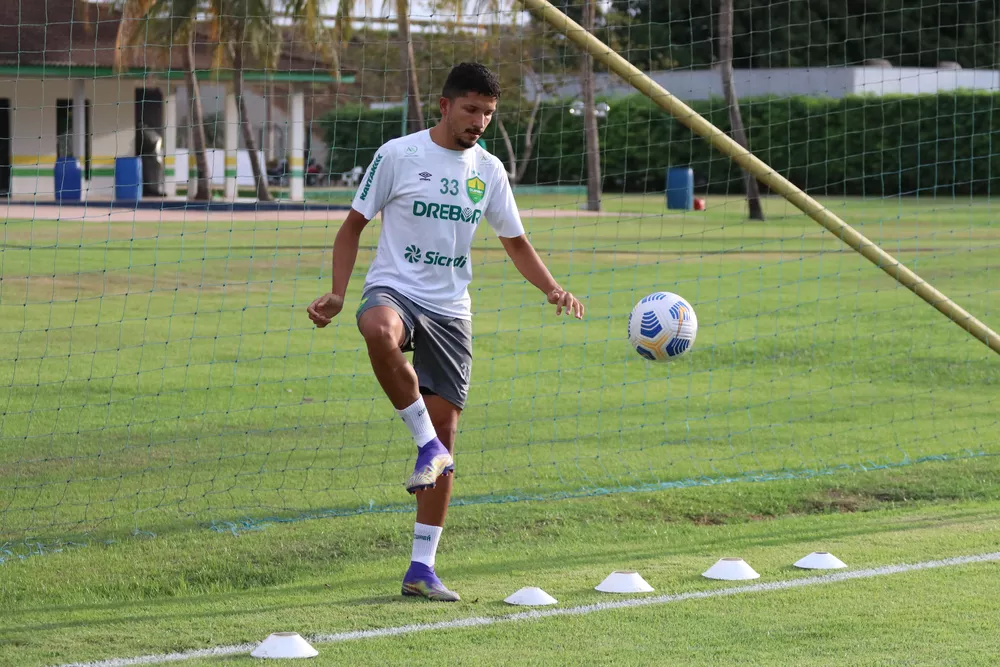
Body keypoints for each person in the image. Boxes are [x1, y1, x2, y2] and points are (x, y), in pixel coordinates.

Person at [306, 63, 585, 602]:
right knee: (377, 328)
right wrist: (339, 292)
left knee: (448, 436)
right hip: (395, 288)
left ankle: (421, 567)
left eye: (488, 112)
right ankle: (423, 443)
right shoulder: (398, 155)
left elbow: (516, 241)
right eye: (471, 109)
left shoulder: (490, 171)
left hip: (451, 309)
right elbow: (351, 227)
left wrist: (552, 289)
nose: (479, 121)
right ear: (444, 105)